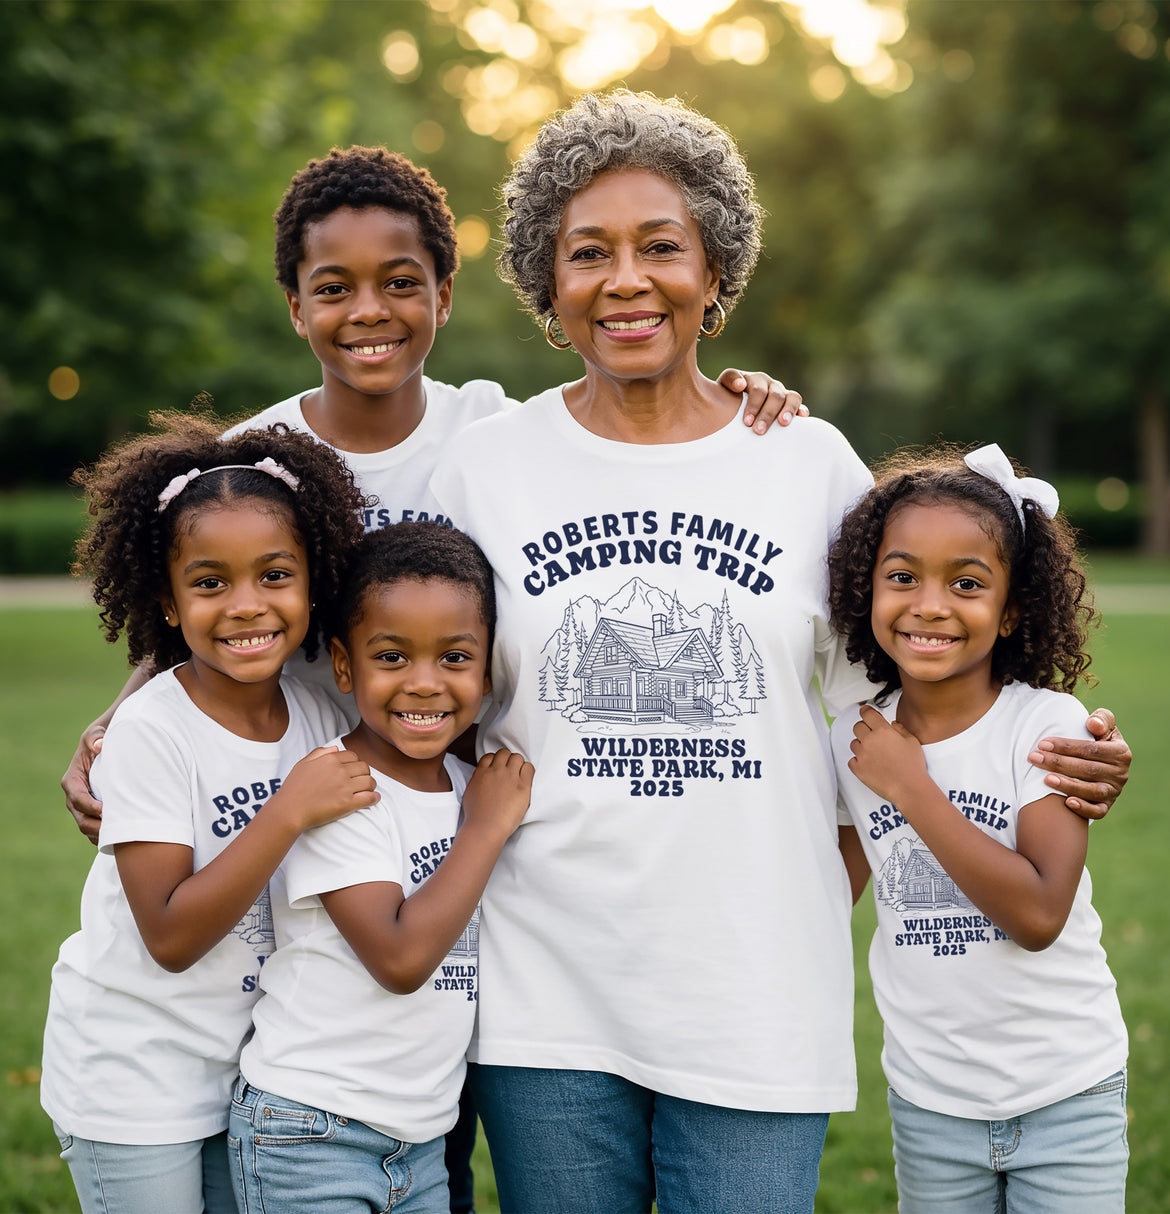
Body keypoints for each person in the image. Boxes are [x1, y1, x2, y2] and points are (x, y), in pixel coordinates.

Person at [57, 143, 809, 1212]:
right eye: (334, 287)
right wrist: (117, 714)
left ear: (445, 295)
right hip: (281, 867)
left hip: (421, 857)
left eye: (401, 282)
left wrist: (744, 393)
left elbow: (626, 423)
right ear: (293, 305)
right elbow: (187, 620)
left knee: (422, 1142)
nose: (370, 311)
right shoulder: (251, 451)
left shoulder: (491, 432)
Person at [427, 90, 1132, 1213]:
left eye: (662, 248)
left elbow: (907, 697)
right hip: (541, 989)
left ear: (715, 276)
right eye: (586, 253)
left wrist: (1067, 741)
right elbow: (403, 682)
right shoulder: (483, 467)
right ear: (545, 286)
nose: (625, 280)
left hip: (754, 992)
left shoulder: (803, 461)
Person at [41, 412, 378, 1214]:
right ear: (166, 599)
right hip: (135, 1077)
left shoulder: (316, 717)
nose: (246, 606)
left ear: (314, 580)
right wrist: (287, 811)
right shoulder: (153, 730)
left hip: (252, 1073)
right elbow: (170, 936)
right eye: (209, 582)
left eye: (274, 575)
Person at [828, 444, 1129, 1212]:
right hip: (931, 1100)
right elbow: (827, 895)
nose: (930, 605)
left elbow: (1037, 914)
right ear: (866, 588)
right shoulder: (852, 739)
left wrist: (911, 788)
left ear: (1013, 608)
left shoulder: (1045, 725)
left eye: (967, 583)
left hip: (1065, 1090)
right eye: (902, 577)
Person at [227, 522, 533, 1213]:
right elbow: (398, 959)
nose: (424, 684)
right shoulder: (340, 788)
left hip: (420, 1139)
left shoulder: (467, 784)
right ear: (344, 666)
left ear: (488, 671)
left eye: (455, 658)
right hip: (310, 1130)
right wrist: (485, 831)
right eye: (391, 658)